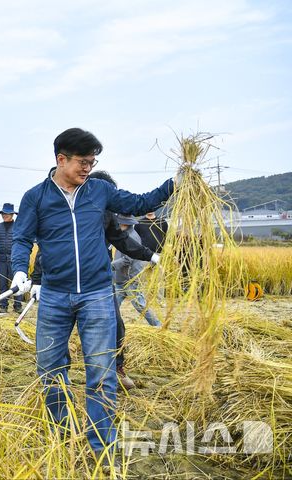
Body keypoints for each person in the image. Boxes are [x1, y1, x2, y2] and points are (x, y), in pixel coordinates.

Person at [11, 128, 175, 465]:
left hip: (98, 296)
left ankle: (103, 448)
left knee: (101, 373)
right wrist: (19, 271)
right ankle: (60, 438)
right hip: (55, 296)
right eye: (83, 162)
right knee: (51, 371)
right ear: (61, 159)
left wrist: (174, 184)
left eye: (92, 162)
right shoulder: (36, 198)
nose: (88, 168)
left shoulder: (100, 191)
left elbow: (140, 202)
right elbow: (22, 238)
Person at [29, 170, 160, 390]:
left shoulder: (106, 213)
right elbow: (45, 249)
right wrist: (37, 280)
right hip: (63, 285)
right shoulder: (63, 210)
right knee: (59, 332)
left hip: (99, 283)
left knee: (116, 326)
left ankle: (116, 370)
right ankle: (59, 377)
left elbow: (121, 240)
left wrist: (150, 255)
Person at [112, 215, 162, 327]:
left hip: (131, 278)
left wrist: (112, 266)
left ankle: (158, 325)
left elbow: (127, 260)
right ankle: (111, 326)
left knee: (140, 305)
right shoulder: (123, 235)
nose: (118, 225)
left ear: (125, 224)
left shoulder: (132, 237)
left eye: (119, 223)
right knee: (113, 305)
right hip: (122, 278)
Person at [0, 203, 22, 313]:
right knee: (2, 284)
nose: (5, 215)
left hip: (15, 260)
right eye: (3, 213)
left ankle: (17, 305)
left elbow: (22, 242)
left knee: (16, 283)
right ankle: (3, 306)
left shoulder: (18, 226)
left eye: (7, 213)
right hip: (1, 260)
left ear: (12, 214)